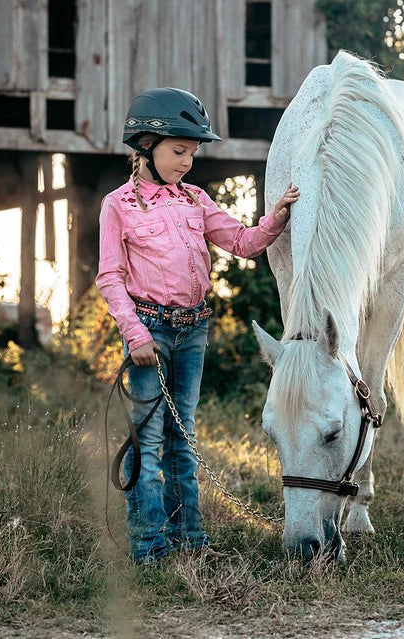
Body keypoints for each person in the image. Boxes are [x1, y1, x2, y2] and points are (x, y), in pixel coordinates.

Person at [95, 87, 299, 564]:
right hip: (149, 329)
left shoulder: (196, 200)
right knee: (147, 441)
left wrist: (278, 218)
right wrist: (135, 333)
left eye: (192, 153)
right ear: (145, 145)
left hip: (193, 330)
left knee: (182, 437)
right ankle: (150, 550)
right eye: (179, 151)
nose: (187, 162)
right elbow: (110, 277)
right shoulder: (118, 205)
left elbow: (244, 242)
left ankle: (193, 543)